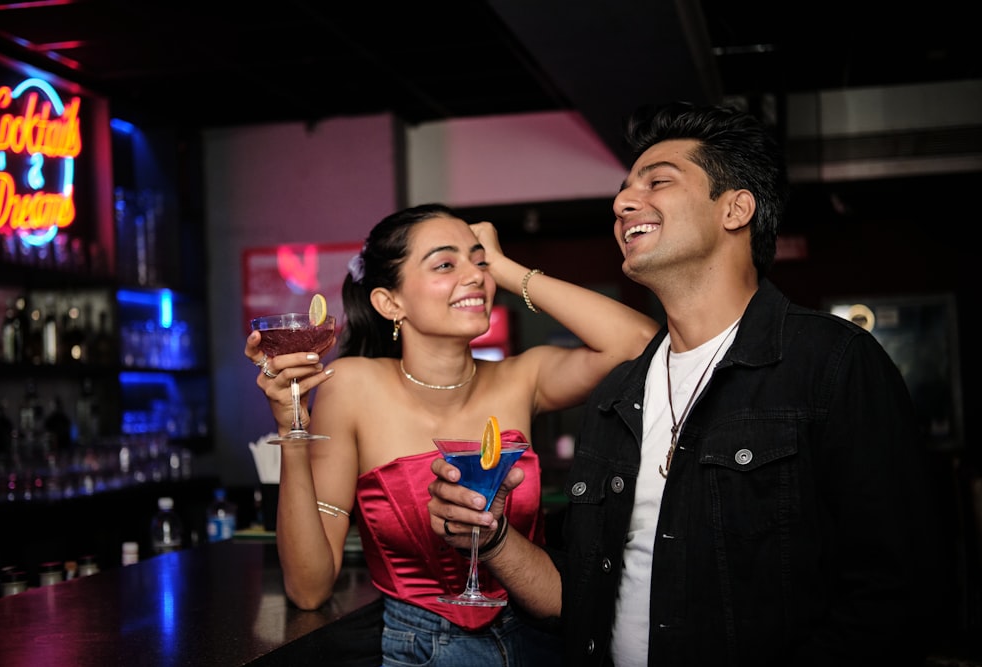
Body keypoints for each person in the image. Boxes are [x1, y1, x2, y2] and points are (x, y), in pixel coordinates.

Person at [427, 103, 943, 666]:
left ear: (736, 209)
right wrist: (493, 534)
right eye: (624, 189)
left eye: (659, 181)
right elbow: (577, 597)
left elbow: (895, 596)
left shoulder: (831, 362)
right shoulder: (618, 394)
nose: (623, 203)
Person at [243, 203, 659, 666]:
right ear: (389, 302)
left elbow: (640, 344)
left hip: (543, 641)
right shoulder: (351, 385)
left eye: (478, 262)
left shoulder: (524, 376)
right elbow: (309, 589)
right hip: (422, 651)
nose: (475, 277)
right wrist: (291, 430)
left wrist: (504, 267)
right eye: (445, 263)